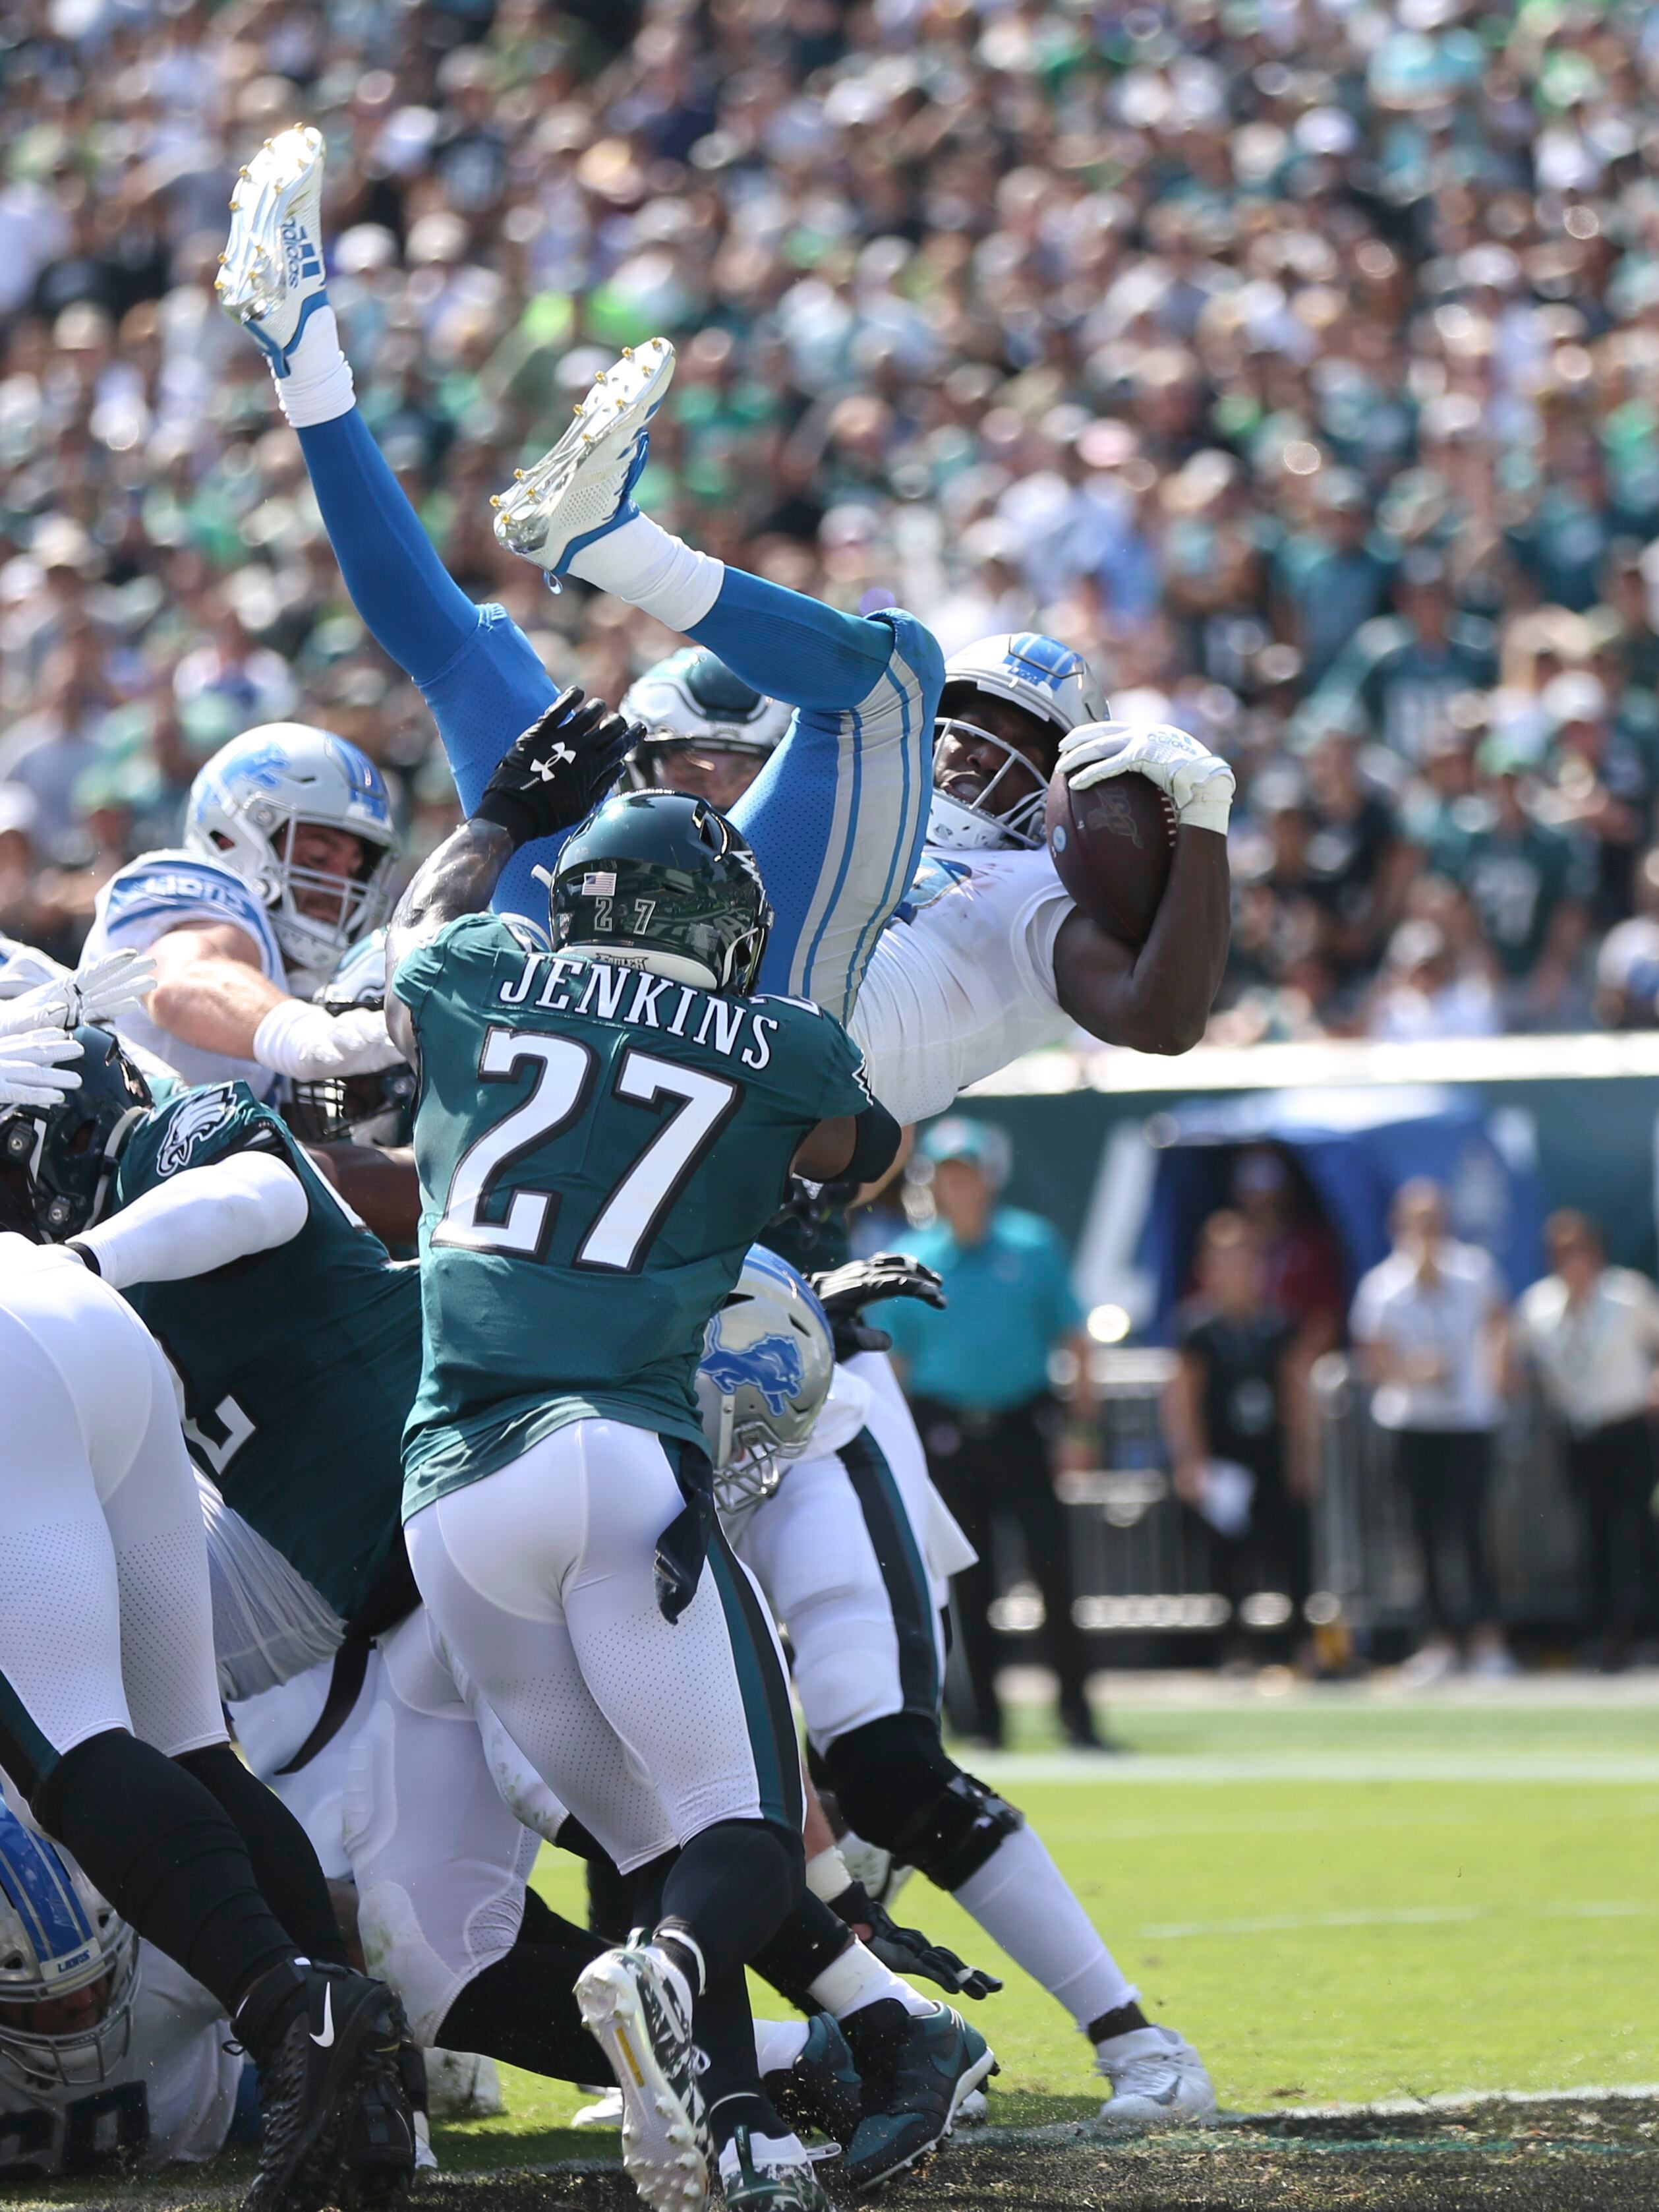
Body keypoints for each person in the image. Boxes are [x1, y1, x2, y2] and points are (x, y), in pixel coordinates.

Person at [217, 125, 1234, 1091]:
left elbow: (1165, 1019)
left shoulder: (1041, 893)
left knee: (897, 668)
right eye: (967, 723)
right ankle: (305, 357)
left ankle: (614, 545)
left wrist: (1201, 824)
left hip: (783, 1022)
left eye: (1017, 738)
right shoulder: (869, 812)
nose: (971, 749)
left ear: (1066, 791)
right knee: (466, 659)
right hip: (640, 981)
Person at [383, 696, 943, 2212]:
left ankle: (738, 2125)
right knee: (738, 1831)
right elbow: (867, 1151)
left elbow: (407, 943)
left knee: (641, 1826)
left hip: (449, 1494)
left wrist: (498, 819)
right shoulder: (778, 1044)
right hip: (612, 1459)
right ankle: (676, 1979)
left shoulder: (476, 969)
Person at [0, 1007, 415, 2212]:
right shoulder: (80, 1223)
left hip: (31, 1332)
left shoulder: (169, 1147)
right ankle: (355, 2073)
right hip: (97, 1339)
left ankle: (293, 2013)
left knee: (66, 1744)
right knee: (190, 1747)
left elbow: (257, 1191)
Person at [728, 1245, 1217, 2129]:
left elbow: (845, 1161)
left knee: (888, 1770)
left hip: (806, 1429)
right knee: (689, 1795)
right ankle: (888, 2042)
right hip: (648, 1448)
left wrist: (791, 1271)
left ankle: (1137, 2037)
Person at [878, 1119, 1099, 1751]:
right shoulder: (912, 1258)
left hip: (1023, 1423)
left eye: (968, 1174)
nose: (960, 1187)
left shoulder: (1032, 1245)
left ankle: (1078, 1716)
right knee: (967, 1580)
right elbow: (894, 1364)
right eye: (949, 1176)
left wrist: (1082, 1429)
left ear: (989, 1179)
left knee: (1054, 1572)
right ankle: (982, 1722)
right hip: (946, 1429)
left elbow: (1075, 1339)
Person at [77, 723, 406, 1104]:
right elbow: (180, 983)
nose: (341, 886)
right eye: (318, 857)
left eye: (354, 869)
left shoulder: (287, 986)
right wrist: (305, 1035)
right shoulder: (207, 899)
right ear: (229, 838)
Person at [0, 1796, 248, 2178]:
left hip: (222, 2116)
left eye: (97, 1973)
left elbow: (316, 1933)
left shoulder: (170, 1946)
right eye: (48, 1993)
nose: (82, 2000)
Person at [1350, 1180, 1515, 1686]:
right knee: (1419, 1535)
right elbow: (1373, 1358)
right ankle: (1436, 1641)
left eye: (1434, 1220)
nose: (1427, 1232)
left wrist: (1496, 1371)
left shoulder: (1474, 1270)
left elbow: (1499, 1322)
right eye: (1417, 1222)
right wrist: (1412, 1372)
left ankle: (1486, 1640)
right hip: (1411, 1422)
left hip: (1468, 1420)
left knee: (1472, 1531)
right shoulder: (1381, 1285)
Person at [1163, 1212, 1316, 1665]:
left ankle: (1300, 1645)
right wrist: (1191, 1461)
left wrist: (1303, 1455)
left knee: (1292, 1550)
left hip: (1271, 1453)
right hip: (1223, 1459)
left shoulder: (1278, 1324)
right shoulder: (1197, 1329)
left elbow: (1297, 1396)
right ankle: (1235, 1647)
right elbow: (1183, 1401)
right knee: (1226, 1557)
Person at [1513, 1212, 1659, 1669]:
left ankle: (1647, 1631)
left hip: (1628, 1426)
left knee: (1638, 1529)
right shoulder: (1537, 1306)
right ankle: (1605, 1635)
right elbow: (1514, 1363)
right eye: (1563, 1252)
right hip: (1578, 1432)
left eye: (1580, 1250)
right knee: (1592, 1531)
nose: (1573, 1261)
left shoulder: (1627, 1294)